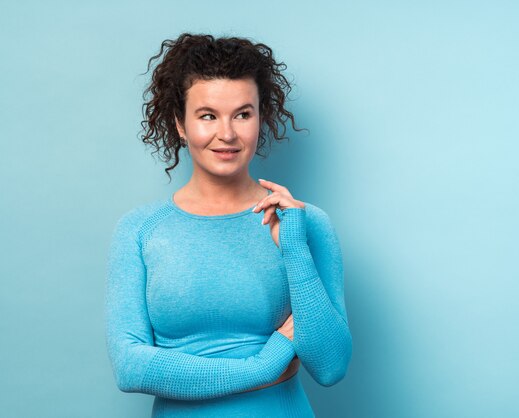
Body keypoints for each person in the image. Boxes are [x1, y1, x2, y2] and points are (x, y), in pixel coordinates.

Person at [104, 32, 353, 417]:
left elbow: (331, 366)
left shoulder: (306, 223)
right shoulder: (140, 230)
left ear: (260, 118)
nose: (227, 134)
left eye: (243, 114)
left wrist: (294, 249)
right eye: (208, 116)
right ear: (181, 125)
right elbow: (130, 366)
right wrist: (263, 365)